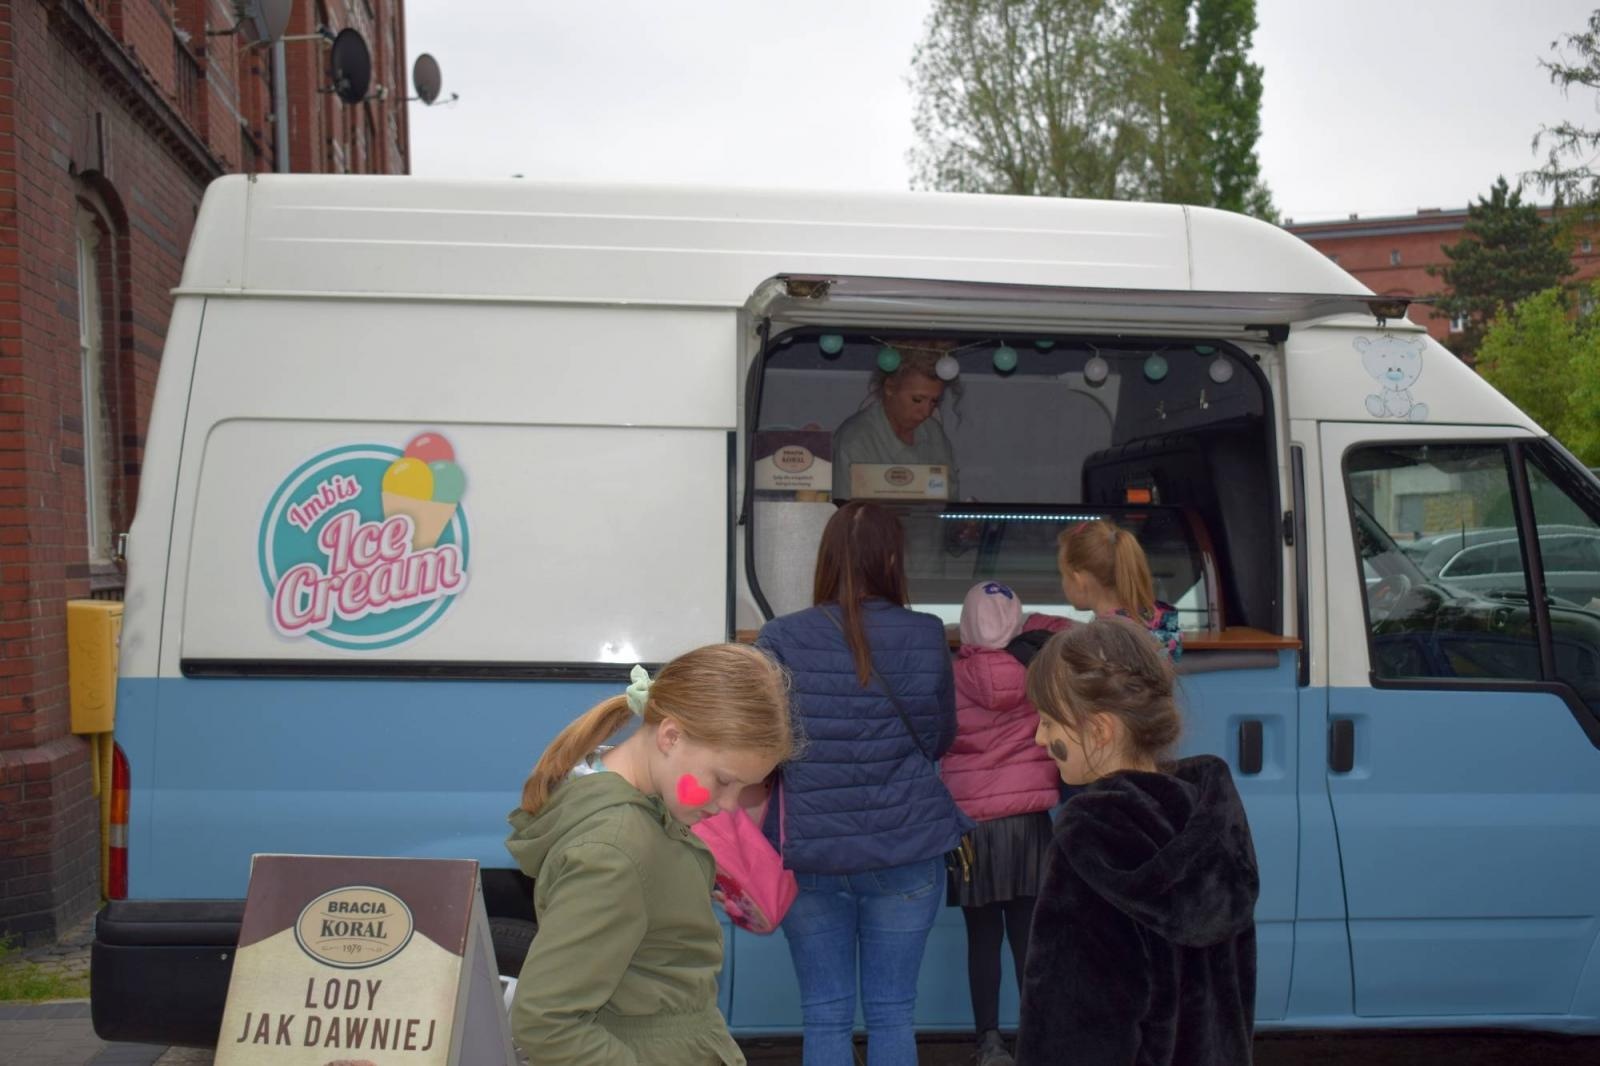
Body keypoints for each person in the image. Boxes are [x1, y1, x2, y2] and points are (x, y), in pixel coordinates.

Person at [506, 643, 794, 1066]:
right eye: (723, 780)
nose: (730, 806)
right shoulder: (616, 850)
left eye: (745, 789)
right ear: (671, 736)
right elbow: (545, 1021)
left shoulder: (648, 812)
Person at [756, 500, 970, 1066]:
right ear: (893, 558)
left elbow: (764, 746)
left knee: (824, 1015)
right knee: (893, 1012)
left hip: (811, 853)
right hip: (906, 848)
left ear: (824, 559)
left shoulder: (779, 637)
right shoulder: (925, 635)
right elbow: (940, 736)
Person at [1016, 618, 1259, 1066]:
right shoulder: (1210, 823)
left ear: (1100, 730)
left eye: (1049, 722)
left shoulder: (1090, 840)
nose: (1039, 737)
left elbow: (1069, 1034)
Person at [941, 582, 1070, 1066]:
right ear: (1017, 623)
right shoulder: (1040, 671)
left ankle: (989, 1042)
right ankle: (1038, 1036)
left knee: (983, 939)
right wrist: (1029, 627)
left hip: (971, 827)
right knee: (1029, 937)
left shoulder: (950, 677)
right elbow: (1072, 630)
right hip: (1029, 823)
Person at [832, 344, 960, 501]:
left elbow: (951, 500)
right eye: (917, 400)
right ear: (890, 387)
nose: (926, 412)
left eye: (934, 401)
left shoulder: (934, 433)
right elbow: (845, 516)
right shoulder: (854, 440)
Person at [1056, 518, 1183, 660]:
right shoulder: (1163, 622)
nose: (1063, 583)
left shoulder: (1097, 641)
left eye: (1063, 574)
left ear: (1079, 581)